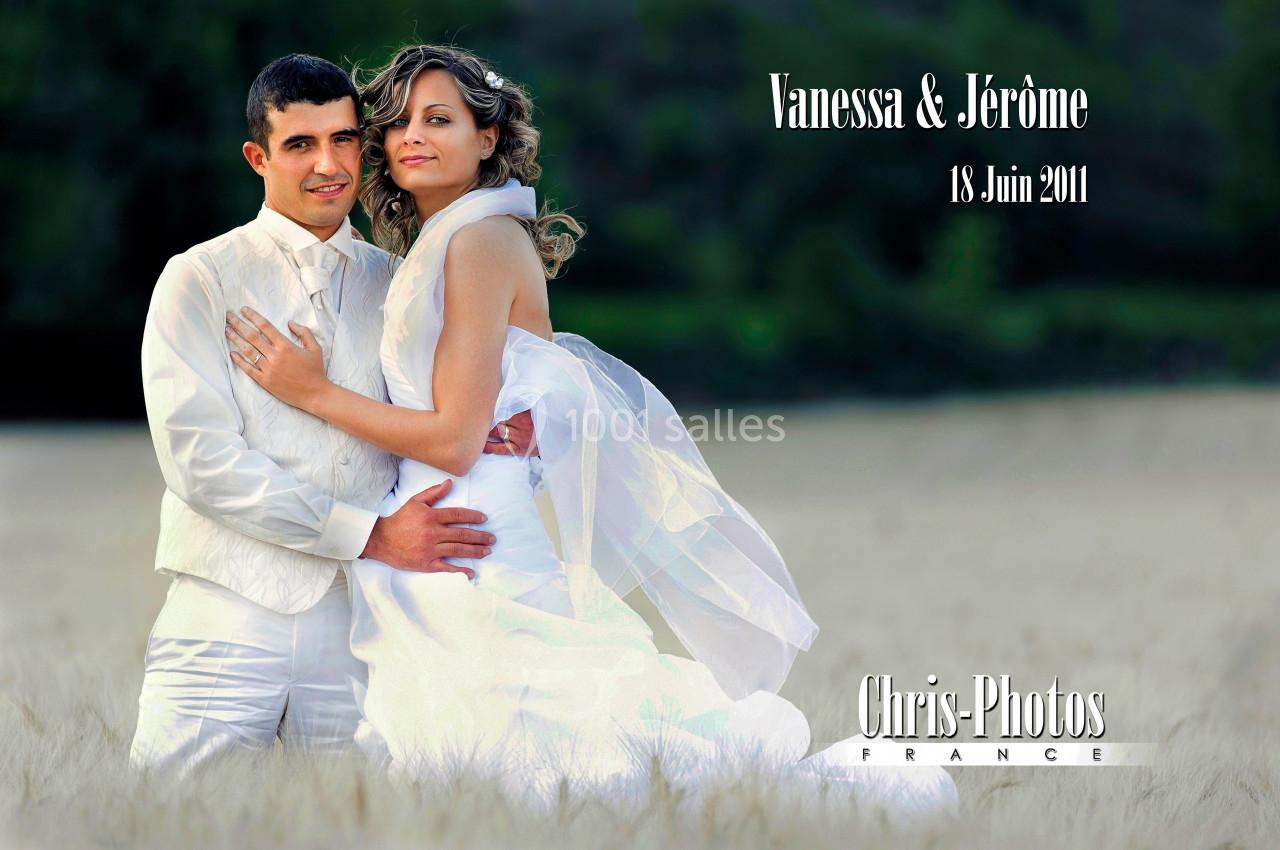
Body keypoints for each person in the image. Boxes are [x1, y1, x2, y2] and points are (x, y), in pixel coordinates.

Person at [224, 44, 959, 817]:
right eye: (398, 120)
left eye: (439, 118)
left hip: (470, 537)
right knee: (501, 765)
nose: (412, 134)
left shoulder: (476, 242)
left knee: (551, 758)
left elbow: (454, 439)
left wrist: (310, 392)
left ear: (486, 137)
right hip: (450, 526)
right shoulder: (447, 241)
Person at [129, 53, 535, 779]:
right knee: (164, 821)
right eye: (300, 145)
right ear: (259, 156)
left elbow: (464, 411)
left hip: (367, 628)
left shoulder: (400, 279)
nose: (328, 165)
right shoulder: (199, 277)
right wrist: (370, 535)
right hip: (225, 616)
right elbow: (200, 462)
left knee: (362, 825)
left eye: (344, 139)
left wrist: (515, 427)